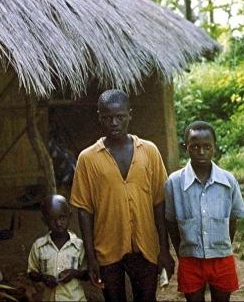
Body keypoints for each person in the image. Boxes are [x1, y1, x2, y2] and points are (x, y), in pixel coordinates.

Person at [70, 89, 175, 302]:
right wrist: (91, 258)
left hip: (146, 247)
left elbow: (159, 204)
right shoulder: (87, 158)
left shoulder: (149, 151)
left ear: (130, 115)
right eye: (108, 118)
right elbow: (84, 210)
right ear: (99, 118)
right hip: (107, 249)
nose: (114, 123)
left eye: (120, 117)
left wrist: (164, 249)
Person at [165, 121, 244, 302]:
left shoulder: (228, 181)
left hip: (222, 258)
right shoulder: (174, 182)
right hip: (190, 260)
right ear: (185, 148)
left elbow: (232, 220)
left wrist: (221, 247)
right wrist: (183, 253)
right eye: (195, 146)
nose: (201, 152)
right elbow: (171, 223)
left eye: (207, 147)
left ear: (214, 148)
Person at [27, 195, 87, 301]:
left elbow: (87, 273)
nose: (58, 223)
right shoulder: (39, 246)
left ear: (70, 216)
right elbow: (31, 272)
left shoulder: (79, 246)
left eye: (62, 218)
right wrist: (43, 277)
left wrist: (74, 273)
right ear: (44, 220)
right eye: (52, 220)